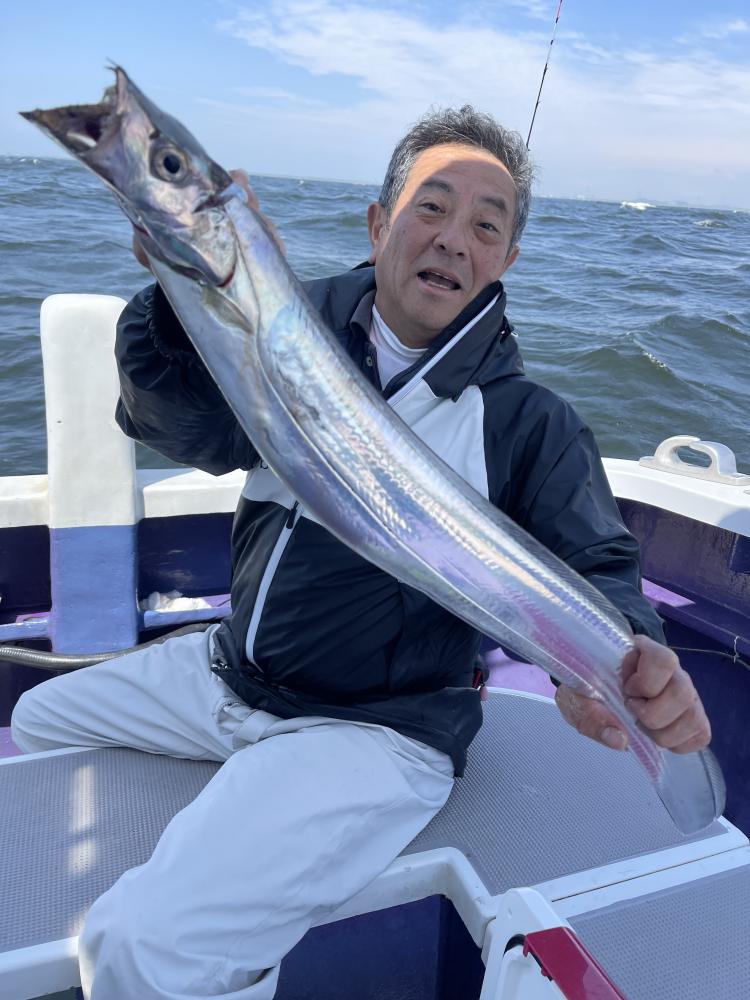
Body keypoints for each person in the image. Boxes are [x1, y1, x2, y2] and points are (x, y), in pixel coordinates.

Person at [11, 106, 711, 999]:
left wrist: (632, 659)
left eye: (485, 225)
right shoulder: (282, 332)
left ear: (505, 260)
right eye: (432, 207)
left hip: (378, 729)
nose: (453, 238)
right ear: (379, 223)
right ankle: (254, 801)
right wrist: (182, 300)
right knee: (38, 725)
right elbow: (181, 428)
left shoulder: (531, 425)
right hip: (231, 674)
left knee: (141, 945)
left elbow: (599, 563)